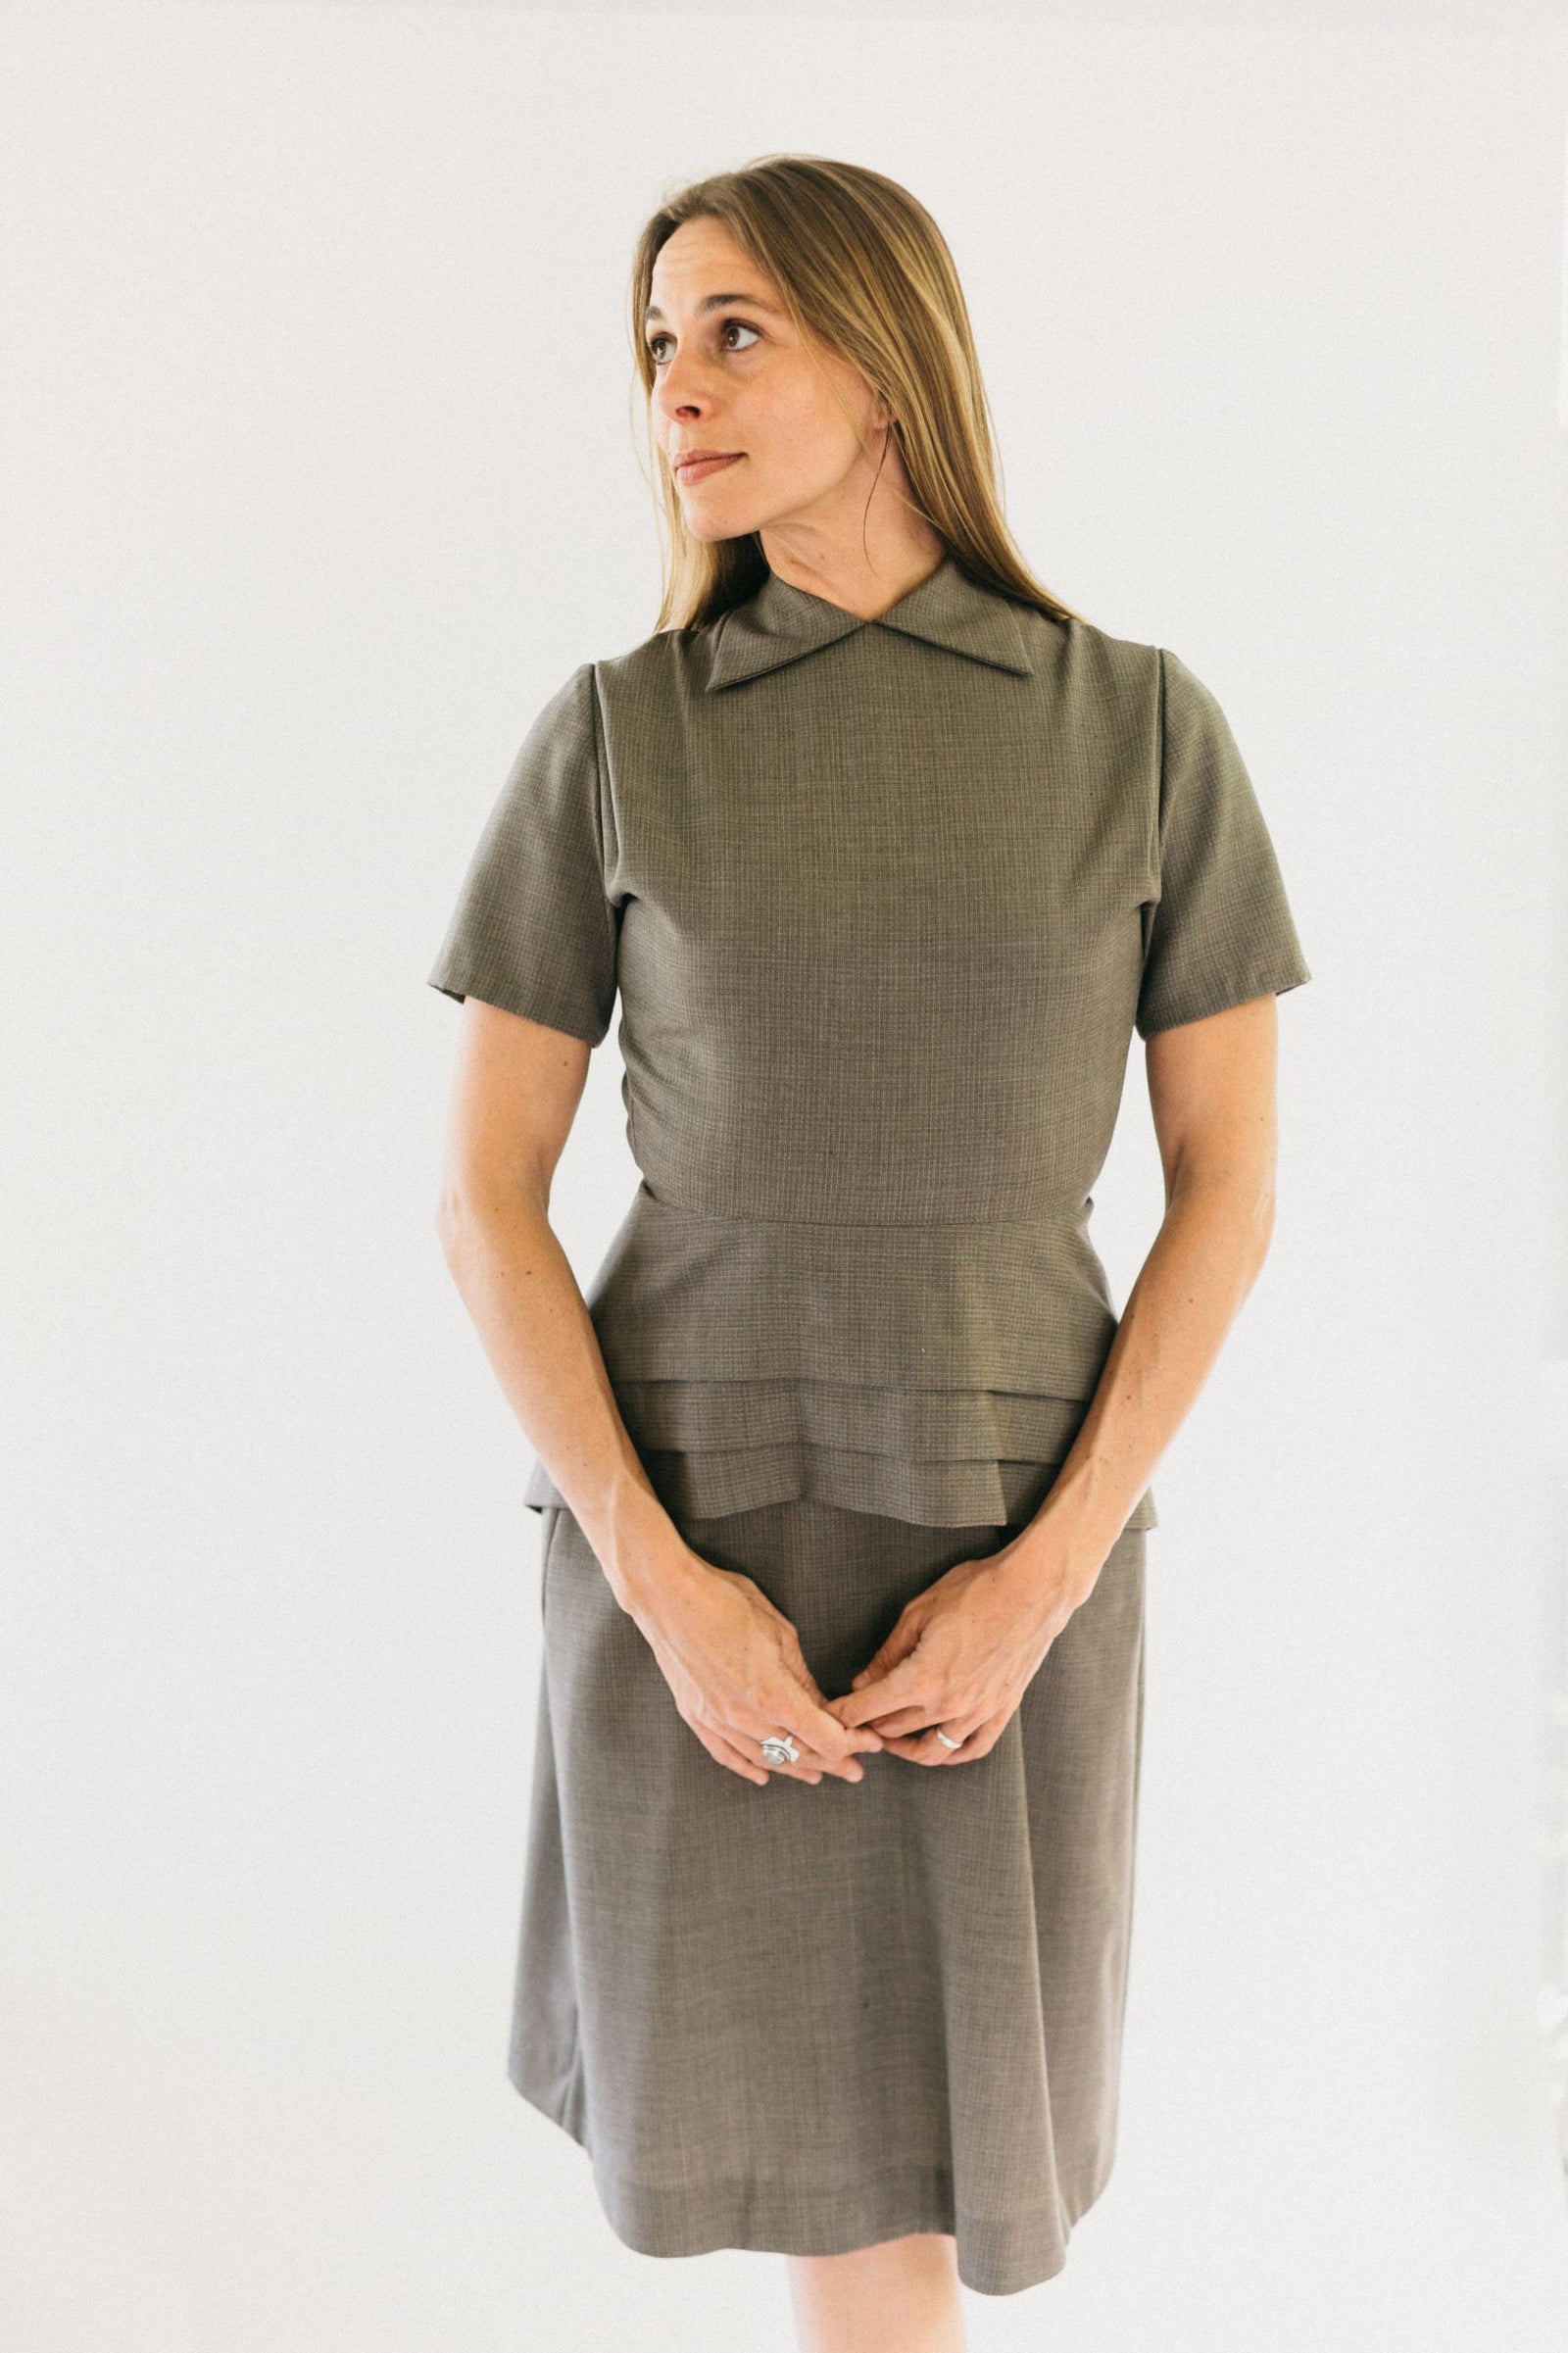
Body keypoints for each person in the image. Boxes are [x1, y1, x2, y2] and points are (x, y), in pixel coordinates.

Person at [426, 154, 1311, 2353]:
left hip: (1010, 1542)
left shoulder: (1138, 728)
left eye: (734, 330)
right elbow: (481, 1198)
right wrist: (661, 1584)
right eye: (655, 344)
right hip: (690, 1547)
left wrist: (1045, 1572)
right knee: (810, 2191)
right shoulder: (615, 738)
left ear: (885, 357)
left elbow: (1227, 1189)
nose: (676, 392)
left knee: (925, 2176)